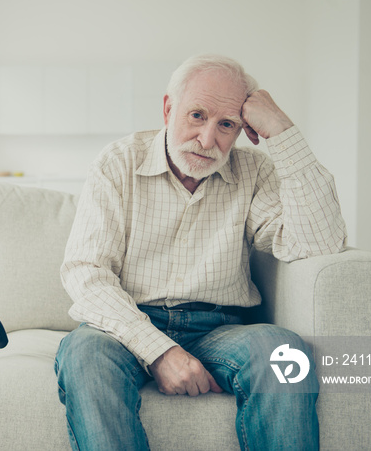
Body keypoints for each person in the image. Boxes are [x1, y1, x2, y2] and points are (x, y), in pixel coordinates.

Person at [54, 54, 347, 450]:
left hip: (220, 328)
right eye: (196, 116)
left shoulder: (255, 173)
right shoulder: (118, 162)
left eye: (227, 125)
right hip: (127, 325)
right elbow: (85, 272)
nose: (208, 140)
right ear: (168, 108)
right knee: (84, 352)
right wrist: (159, 352)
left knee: (281, 351)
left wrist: (282, 131)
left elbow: (320, 243)